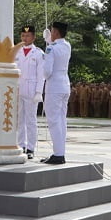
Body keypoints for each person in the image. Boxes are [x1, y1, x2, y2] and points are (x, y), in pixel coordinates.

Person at [40, 21, 71, 165]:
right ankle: (60, 152)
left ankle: (58, 154)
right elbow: (57, 48)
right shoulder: (67, 45)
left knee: (53, 121)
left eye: (52, 31)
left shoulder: (50, 49)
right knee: (62, 120)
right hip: (65, 85)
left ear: (56, 33)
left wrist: (46, 54)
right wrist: (48, 41)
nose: (50, 33)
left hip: (54, 87)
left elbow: (47, 72)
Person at [15, 25, 45, 159]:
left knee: (31, 120)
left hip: (31, 90)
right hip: (18, 89)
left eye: (27, 36)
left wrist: (39, 91)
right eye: (23, 35)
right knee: (19, 120)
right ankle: (21, 145)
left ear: (33, 37)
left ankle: (31, 148)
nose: (25, 38)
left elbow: (41, 75)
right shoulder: (16, 52)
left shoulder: (38, 53)